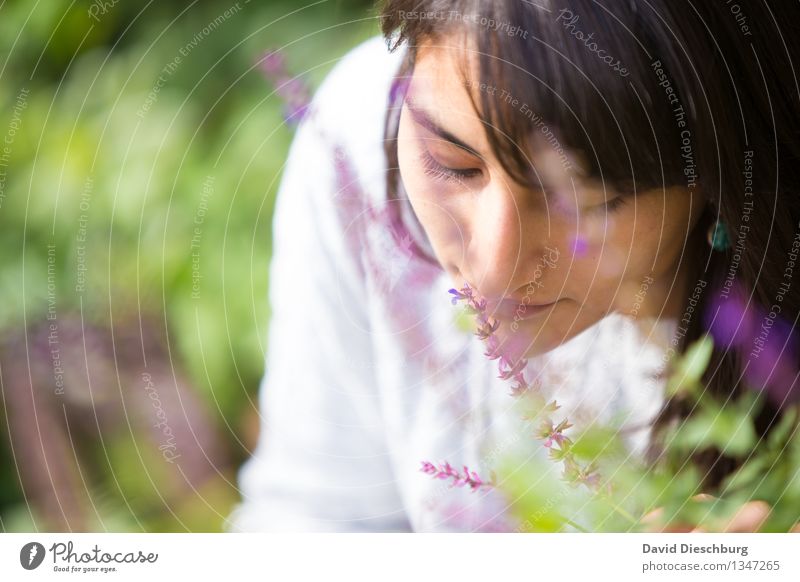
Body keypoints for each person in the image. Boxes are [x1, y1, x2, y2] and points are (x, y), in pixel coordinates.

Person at [227, 0, 800, 532]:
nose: (495, 273)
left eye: (590, 200)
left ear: (718, 168)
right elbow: (317, 518)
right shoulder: (354, 141)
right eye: (453, 165)